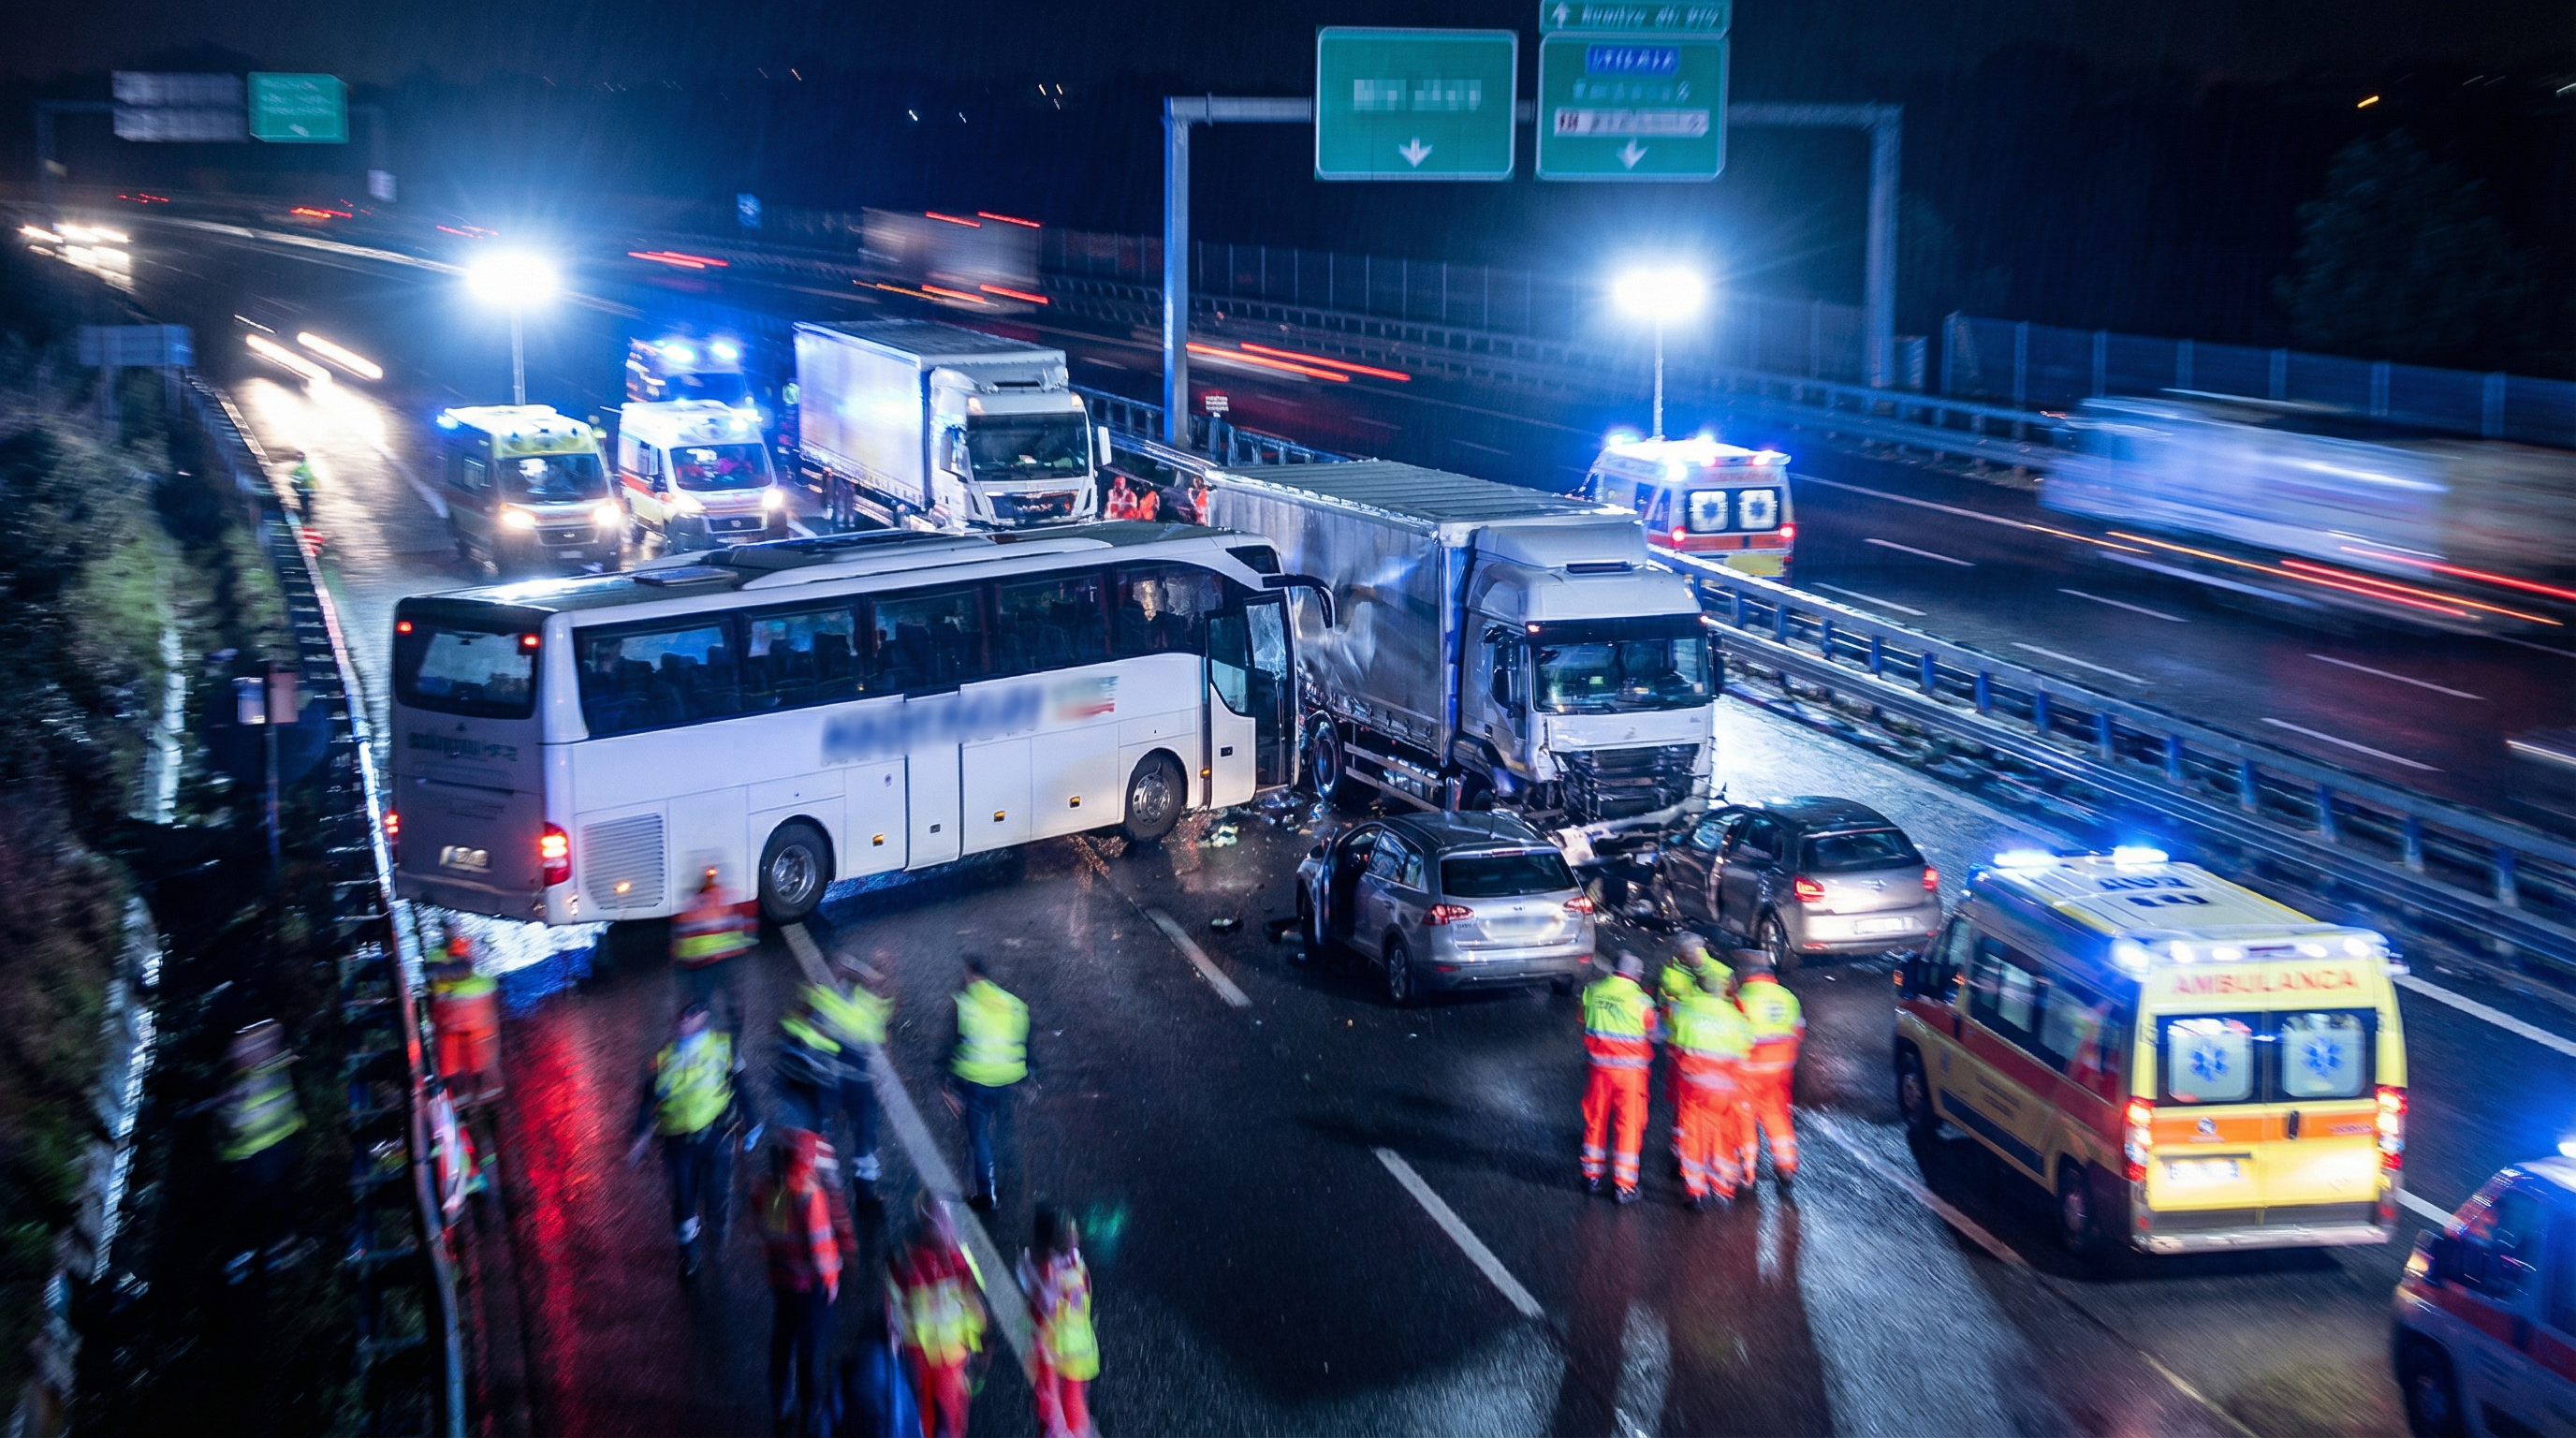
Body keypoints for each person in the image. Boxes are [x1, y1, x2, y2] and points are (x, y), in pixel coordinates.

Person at [628, 1002, 762, 1276]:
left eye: (689, 1016)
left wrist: (752, 1123)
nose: (682, 1022)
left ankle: (716, 1228)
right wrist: (639, 1136)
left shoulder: (722, 1046)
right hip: (678, 1142)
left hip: (716, 1136)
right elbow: (647, 1099)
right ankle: (689, 1253)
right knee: (684, 1197)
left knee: (716, 1192)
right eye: (680, 1017)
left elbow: (740, 1086)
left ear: (703, 1017)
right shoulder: (664, 1057)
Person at [756, 1130, 856, 1437]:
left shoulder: (768, 1189)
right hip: (810, 1288)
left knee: (782, 1343)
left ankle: (781, 1405)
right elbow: (819, 1245)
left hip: (781, 1282)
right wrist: (831, 1281)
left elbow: (770, 1236)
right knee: (810, 1353)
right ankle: (809, 1417)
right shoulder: (809, 1193)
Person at [778, 963, 892, 1201]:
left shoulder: (824, 999)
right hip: (858, 1080)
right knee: (865, 1129)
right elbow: (877, 1040)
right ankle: (865, 1185)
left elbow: (798, 1026)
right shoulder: (869, 1006)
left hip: (830, 1078)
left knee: (820, 1128)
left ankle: (819, 1182)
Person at [211, 1019, 310, 1284]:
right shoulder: (275, 1068)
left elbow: (230, 1126)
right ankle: (280, 1254)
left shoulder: (249, 1080)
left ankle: (262, 1257)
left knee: (256, 1213)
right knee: (277, 1209)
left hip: (260, 1159)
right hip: (281, 1151)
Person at [894, 1192, 987, 1438]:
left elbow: (974, 1301)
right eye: (939, 1221)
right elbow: (894, 1305)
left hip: (946, 1357)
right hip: (923, 1356)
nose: (946, 1228)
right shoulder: (909, 1258)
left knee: (947, 1416)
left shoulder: (956, 1258)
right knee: (929, 1416)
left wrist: (980, 1343)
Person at [947, 957, 1030, 1211]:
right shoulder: (1013, 1003)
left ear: (971, 975)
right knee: (1005, 1125)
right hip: (1007, 1079)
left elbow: (951, 1045)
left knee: (979, 1137)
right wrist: (1029, 1076)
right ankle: (1010, 1168)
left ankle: (986, 1193)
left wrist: (947, 1083)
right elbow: (1026, 1040)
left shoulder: (964, 1004)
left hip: (978, 1081)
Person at [1667, 975, 1753, 1210]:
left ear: (1699, 989)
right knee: (1723, 1137)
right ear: (1722, 992)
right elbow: (1745, 1052)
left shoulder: (1684, 1010)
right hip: (1724, 1089)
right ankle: (1723, 1188)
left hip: (1692, 1085)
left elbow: (1672, 1038)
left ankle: (1695, 1191)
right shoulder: (1736, 1019)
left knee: (1692, 1135)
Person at [1579, 952, 1659, 1203]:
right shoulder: (1642, 1001)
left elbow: (1582, 1018)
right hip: (1631, 1076)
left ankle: (1591, 1175)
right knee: (1628, 1126)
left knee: (1596, 1120)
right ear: (1637, 975)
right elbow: (1655, 1034)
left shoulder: (1592, 991)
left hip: (1599, 1071)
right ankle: (1624, 1186)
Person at [1017, 1208, 1099, 1438]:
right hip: (1076, 1352)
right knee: (1073, 1404)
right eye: (1071, 1232)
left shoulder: (1037, 1267)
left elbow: (1039, 1306)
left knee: (1052, 1410)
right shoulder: (1072, 1267)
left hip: (1052, 1351)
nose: (1076, 1236)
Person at [1735, 957, 1807, 1196]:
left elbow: (1733, 1037)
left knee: (1744, 1120)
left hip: (1748, 1072)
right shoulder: (1789, 997)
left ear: (1747, 977)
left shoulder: (1741, 999)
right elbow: (1798, 1032)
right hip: (1780, 1071)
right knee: (1778, 1118)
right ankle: (1786, 1168)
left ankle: (1747, 1170)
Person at [1659, 933, 1729, 1164]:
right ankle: (1688, 1149)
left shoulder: (1712, 970)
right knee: (1693, 1104)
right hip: (1697, 1048)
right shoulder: (1673, 975)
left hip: (1696, 1047)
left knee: (1692, 1105)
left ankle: (1690, 1150)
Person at [673, 868, 758, 1035]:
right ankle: (731, 1050)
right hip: (724, 960)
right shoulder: (727, 896)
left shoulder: (689, 904)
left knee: (701, 1009)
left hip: (701, 965)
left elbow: (680, 940)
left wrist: (681, 966)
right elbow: (747, 923)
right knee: (731, 1007)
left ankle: (702, 1048)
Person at [429, 924, 504, 1101]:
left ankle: (458, 1090)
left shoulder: (446, 953)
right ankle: (470, 1088)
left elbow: (440, 979)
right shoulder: (466, 948)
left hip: (459, 1006)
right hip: (472, 1007)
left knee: (455, 1052)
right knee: (472, 1051)